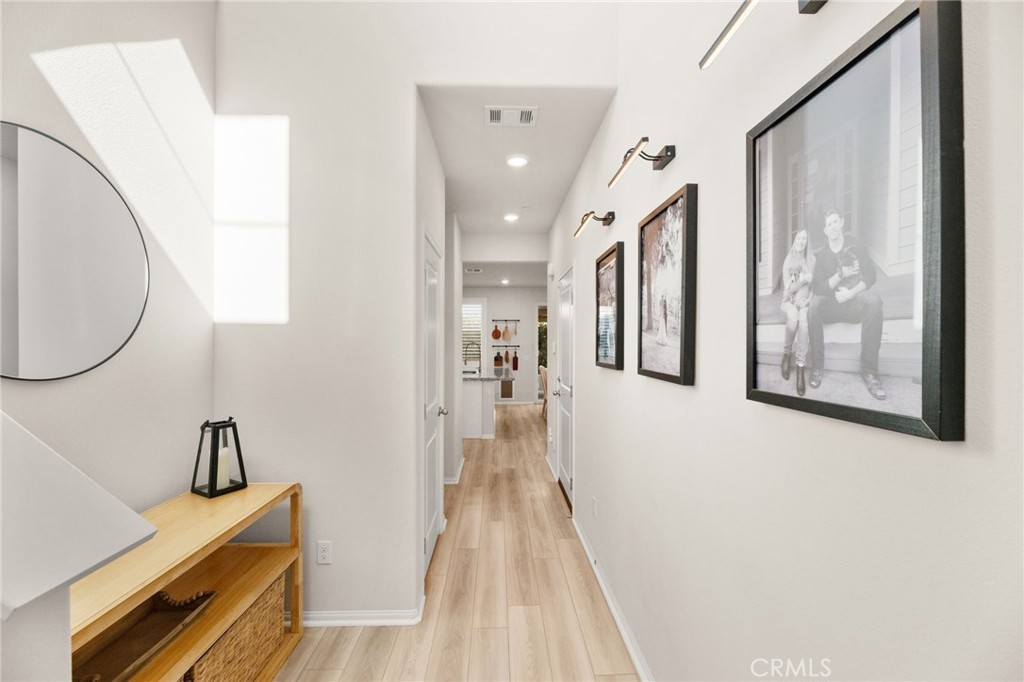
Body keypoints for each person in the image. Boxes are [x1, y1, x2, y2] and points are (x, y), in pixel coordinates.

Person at [807, 209, 886, 400]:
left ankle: (869, 371)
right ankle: (817, 366)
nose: (832, 227)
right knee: (813, 307)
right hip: (832, 306)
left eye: (835, 222)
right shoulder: (823, 255)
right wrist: (841, 274)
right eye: (828, 225)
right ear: (825, 231)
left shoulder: (855, 245)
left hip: (853, 304)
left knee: (874, 301)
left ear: (842, 222)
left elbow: (870, 276)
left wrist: (850, 293)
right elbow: (819, 288)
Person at [779, 230, 815, 396]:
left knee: (804, 323)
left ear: (807, 242)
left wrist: (809, 300)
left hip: (804, 302)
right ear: (795, 240)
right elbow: (787, 292)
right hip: (790, 302)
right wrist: (803, 280)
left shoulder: (811, 260)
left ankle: (800, 366)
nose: (801, 241)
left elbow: (815, 287)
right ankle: (786, 354)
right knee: (793, 318)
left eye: (804, 239)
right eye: (799, 238)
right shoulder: (789, 261)